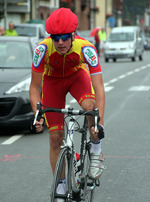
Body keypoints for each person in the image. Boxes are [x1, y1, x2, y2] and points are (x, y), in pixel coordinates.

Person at [29, 8, 105, 199]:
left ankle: (96, 151)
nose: (60, 42)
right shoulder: (42, 49)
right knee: (55, 137)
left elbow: (99, 87)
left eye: (64, 37)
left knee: (90, 108)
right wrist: (37, 115)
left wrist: (99, 123)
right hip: (52, 82)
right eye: (55, 37)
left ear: (73, 34)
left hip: (77, 77)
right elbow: (34, 87)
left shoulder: (86, 48)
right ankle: (61, 186)